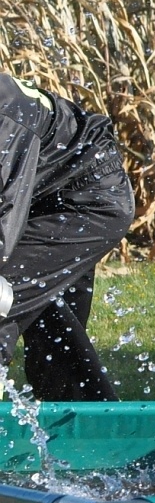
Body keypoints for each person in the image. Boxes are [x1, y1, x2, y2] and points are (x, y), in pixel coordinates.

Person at [1, 73, 135, 401]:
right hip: (52, 193)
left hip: (87, 202)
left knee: (3, 297)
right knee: (55, 331)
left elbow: (5, 217)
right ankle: (95, 439)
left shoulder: (5, 122)